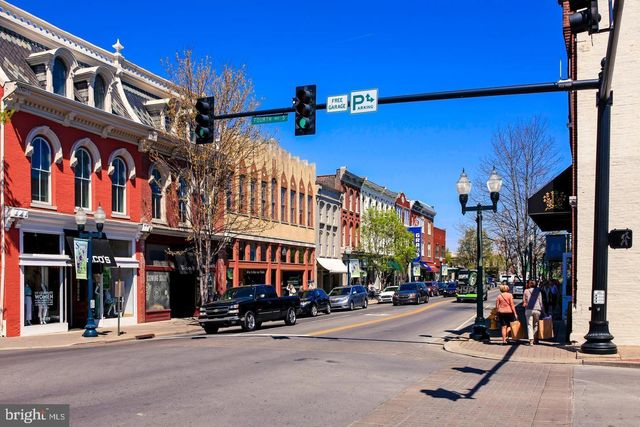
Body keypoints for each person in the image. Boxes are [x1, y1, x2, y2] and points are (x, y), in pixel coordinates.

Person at [522, 279, 545, 345]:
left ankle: (531, 340)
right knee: (536, 324)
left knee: (529, 325)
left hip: (528, 309)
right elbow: (541, 302)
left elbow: (524, 301)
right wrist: (544, 312)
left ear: (529, 284)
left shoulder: (526, 291)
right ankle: (536, 339)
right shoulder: (538, 292)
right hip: (537, 309)